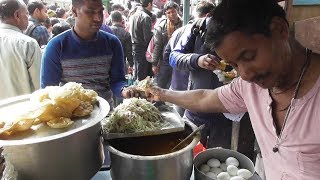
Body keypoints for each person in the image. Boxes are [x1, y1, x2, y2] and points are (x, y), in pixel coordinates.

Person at [146, 0, 320, 179]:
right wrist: (160, 93)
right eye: (234, 65)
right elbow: (205, 98)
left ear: (279, 29)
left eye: (248, 56)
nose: (244, 74)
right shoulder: (249, 88)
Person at [40, 0, 141, 108]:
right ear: (74, 11)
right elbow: (48, 91)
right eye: (90, 12)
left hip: (106, 115)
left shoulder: (112, 43)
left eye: (100, 12)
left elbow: (117, 81)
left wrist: (124, 91)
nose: (98, 18)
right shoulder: (56, 46)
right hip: (73, 120)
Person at [169, 0, 233, 149]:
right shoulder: (197, 27)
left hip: (225, 113)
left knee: (218, 161)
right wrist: (197, 60)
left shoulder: (239, 30)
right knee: (188, 153)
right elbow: (174, 57)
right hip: (195, 110)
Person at [0, 0, 42, 100]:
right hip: (23, 110)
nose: (28, 18)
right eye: (27, 13)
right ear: (17, 15)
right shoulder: (27, 44)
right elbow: (40, 87)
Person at [152, 1, 182, 89]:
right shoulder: (161, 27)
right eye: (168, 12)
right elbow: (158, 45)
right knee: (161, 81)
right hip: (166, 59)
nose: (171, 14)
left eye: (173, 11)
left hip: (180, 57)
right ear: (165, 13)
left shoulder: (184, 24)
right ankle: (158, 100)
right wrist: (154, 64)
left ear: (177, 11)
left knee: (177, 82)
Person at [129, 0, 153, 81]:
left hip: (135, 46)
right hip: (142, 48)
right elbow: (147, 38)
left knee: (138, 72)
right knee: (142, 75)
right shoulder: (145, 17)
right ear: (149, 4)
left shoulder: (134, 14)